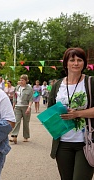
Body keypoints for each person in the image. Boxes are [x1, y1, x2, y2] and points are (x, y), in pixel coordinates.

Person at [48, 47, 94, 180]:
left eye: (79, 60)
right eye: (72, 60)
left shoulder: (90, 82)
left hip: (86, 142)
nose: (76, 63)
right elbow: (50, 111)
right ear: (66, 63)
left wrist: (78, 114)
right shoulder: (57, 85)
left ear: (84, 63)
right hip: (62, 143)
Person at [10, 74, 33, 143]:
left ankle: (26, 137)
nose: (21, 81)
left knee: (26, 122)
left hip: (25, 107)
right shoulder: (17, 87)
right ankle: (14, 136)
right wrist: (13, 106)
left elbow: (31, 99)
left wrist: (29, 108)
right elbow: (15, 97)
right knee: (17, 121)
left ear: (26, 81)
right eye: (20, 80)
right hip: (18, 107)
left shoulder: (29, 88)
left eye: (22, 80)